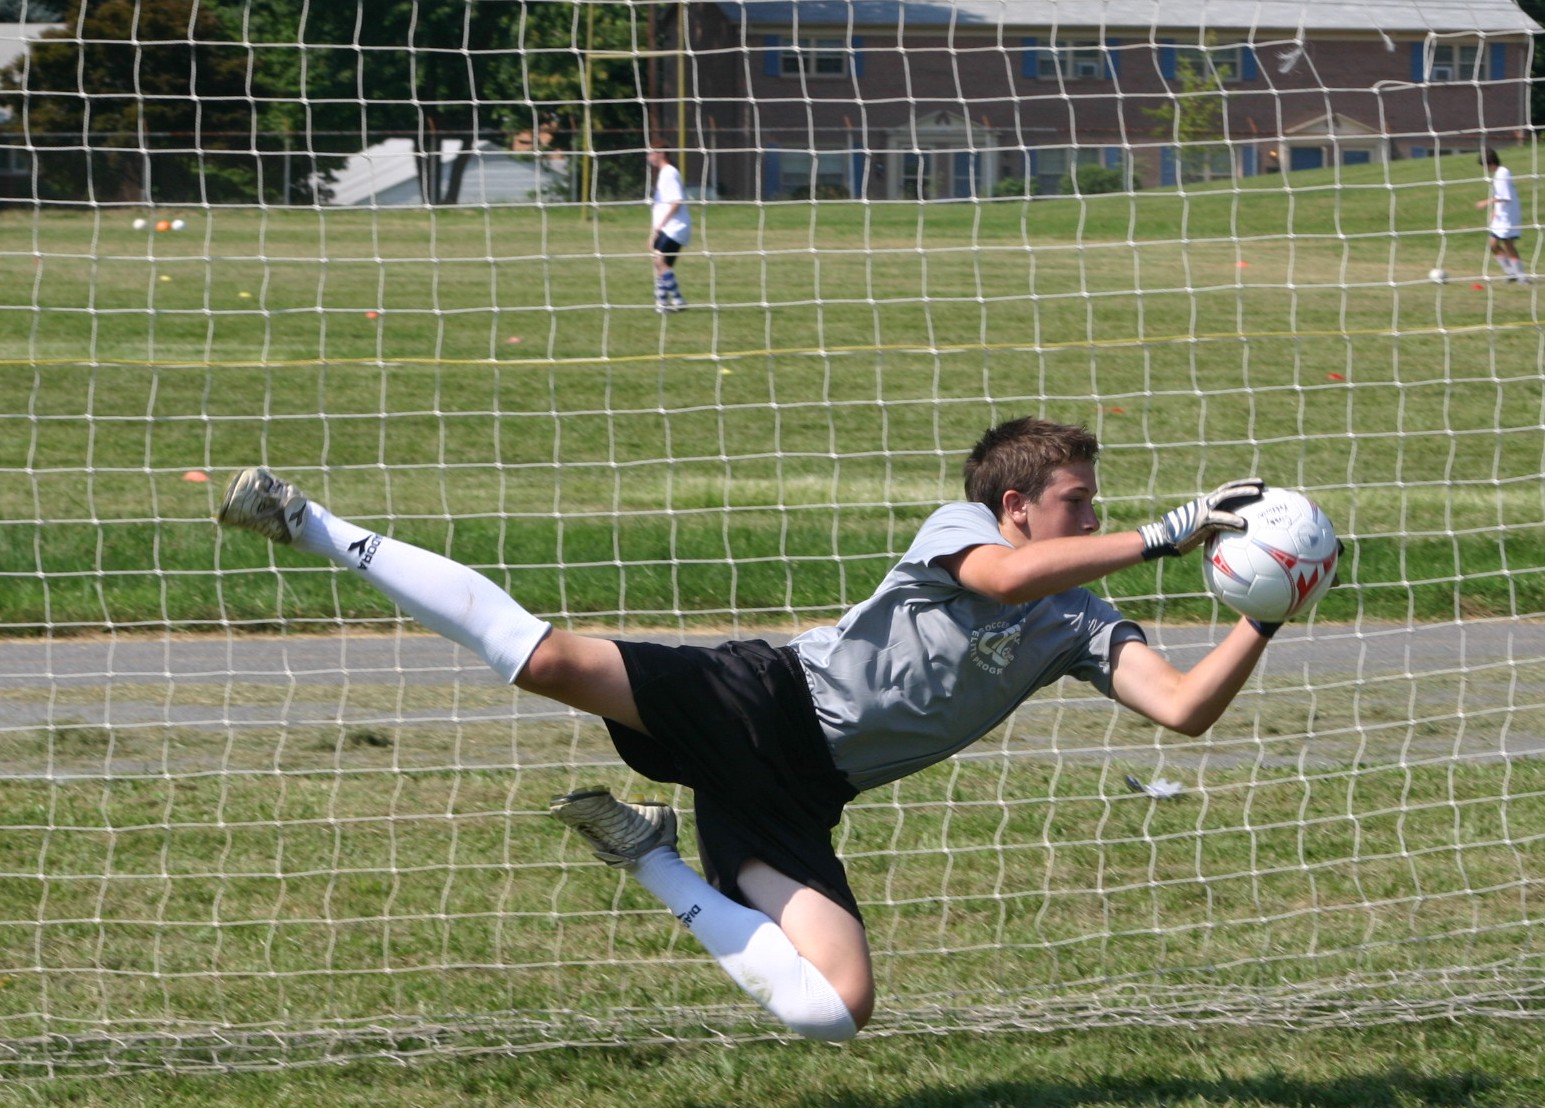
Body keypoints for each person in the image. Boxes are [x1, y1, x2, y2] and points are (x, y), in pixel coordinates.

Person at [216, 418, 1280, 1042]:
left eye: (1098, 506)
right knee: (543, 660)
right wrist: (1161, 536)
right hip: (762, 695)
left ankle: (657, 863)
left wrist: (1263, 616)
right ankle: (310, 522)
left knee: (835, 1006)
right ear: (1014, 504)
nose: (1095, 518)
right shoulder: (965, 535)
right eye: (1078, 503)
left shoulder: (1082, 616)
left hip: (803, 793)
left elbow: (1184, 708)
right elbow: (1003, 578)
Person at [647, 140, 691, 313]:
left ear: (661, 154)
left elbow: (676, 202)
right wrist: (654, 232)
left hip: (675, 227)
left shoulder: (669, 173)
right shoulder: (663, 174)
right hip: (667, 227)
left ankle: (677, 300)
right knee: (660, 264)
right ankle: (662, 303)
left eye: (651, 153)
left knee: (660, 260)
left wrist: (659, 228)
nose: (648, 156)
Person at [1477, 147, 1527, 283]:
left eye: (1485, 165)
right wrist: (1494, 211)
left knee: (1508, 244)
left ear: (1490, 162)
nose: (1485, 169)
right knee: (1493, 244)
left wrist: (1485, 203)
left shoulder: (1503, 173)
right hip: (1501, 216)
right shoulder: (1498, 174)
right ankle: (1511, 273)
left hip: (1508, 215)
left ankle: (1521, 276)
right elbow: (1499, 196)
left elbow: (1505, 196)